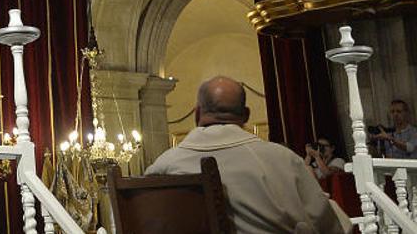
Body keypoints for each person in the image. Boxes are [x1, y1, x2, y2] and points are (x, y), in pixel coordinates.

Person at [146, 76, 348, 233]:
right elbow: (329, 225)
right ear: (246, 115)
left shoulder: (162, 166)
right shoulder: (282, 159)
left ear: (197, 114)